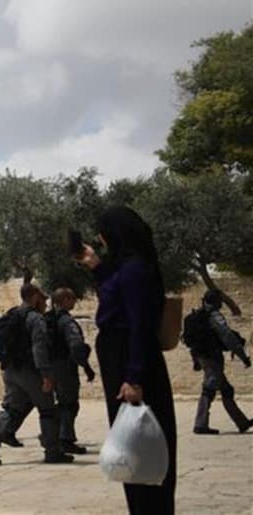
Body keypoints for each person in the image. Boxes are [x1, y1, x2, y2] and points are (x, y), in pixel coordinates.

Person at [77, 206, 177, 513]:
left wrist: (134, 377)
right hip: (119, 354)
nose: (101, 240)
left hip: (127, 356)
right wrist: (95, 266)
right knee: (130, 440)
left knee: (138, 442)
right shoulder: (130, 268)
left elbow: (137, 323)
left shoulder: (135, 270)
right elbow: (116, 295)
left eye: (104, 234)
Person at [0, 280, 73, 466]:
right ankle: (52, 451)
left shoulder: (11, 314)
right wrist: (46, 375)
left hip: (10, 371)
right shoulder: (35, 319)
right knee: (48, 410)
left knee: (10, 408)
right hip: (31, 372)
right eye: (42, 298)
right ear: (33, 297)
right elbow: (39, 348)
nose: (45, 302)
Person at [188, 289, 251, 434]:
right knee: (209, 388)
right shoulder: (214, 316)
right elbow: (227, 337)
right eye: (219, 301)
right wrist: (243, 356)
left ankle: (242, 422)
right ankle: (200, 424)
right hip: (212, 357)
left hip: (203, 356)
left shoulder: (197, 315)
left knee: (226, 389)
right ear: (216, 301)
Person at [48, 288, 96, 454]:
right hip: (65, 368)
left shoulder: (48, 319)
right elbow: (75, 346)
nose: (75, 301)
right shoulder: (67, 321)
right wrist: (87, 367)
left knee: (57, 404)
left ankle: (54, 436)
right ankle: (65, 439)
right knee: (69, 404)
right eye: (72, 298)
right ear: (66, 300)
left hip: (49, 368)